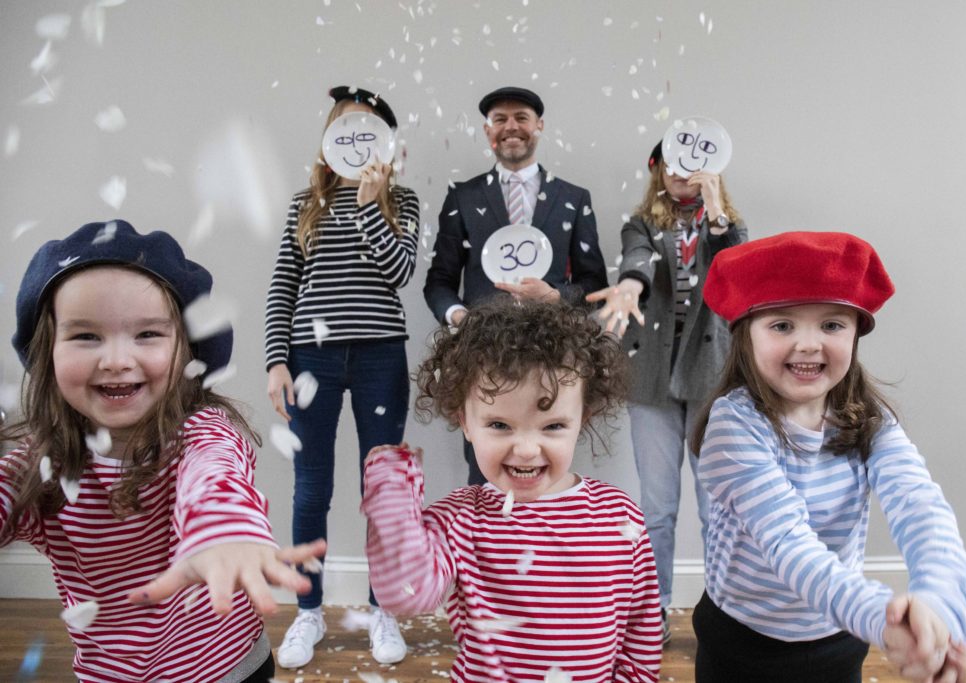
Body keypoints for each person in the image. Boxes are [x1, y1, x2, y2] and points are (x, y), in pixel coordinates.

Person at [0, 220, 325, 683]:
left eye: (147, 335)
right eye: (86, 336)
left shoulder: (204, 432)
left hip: (227, 669)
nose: (115, 359)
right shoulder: (40, 461)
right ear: (47, 350)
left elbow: (214, 479)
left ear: (187, 352)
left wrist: (221, 534)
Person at [690, 231, 966, 682]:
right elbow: (788, 543)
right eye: (782, 325)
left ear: (855, 334)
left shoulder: (870, 419)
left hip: (837, 638)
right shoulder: (734, 426)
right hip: (743, 644)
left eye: (832, 325)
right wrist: (884, 619)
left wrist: (938, 610)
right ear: (745, 336)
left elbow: (921, 506)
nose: (808, 344)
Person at [361, 299, 662, 682]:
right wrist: (392, 498)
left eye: (552, 426)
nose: (525, 449)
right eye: (500, 425)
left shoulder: (619, 514)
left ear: (581, 419)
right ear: (465, 423)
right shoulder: (459, 519)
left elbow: (641, 627)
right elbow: (404, 594)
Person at [264, 85, 419, 668]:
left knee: (381, 488)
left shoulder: (400, 203)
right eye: (346, 128)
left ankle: (384, 611)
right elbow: (284, 285)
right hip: (312, 358)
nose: (356, 139)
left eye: (368, 130)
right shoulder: (305, 204)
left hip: (381, 353)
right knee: (311, 489)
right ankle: (309, 613)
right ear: (330, 140)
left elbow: (399, 271)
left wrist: (368, 202)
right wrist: (276, 359)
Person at [586, 142, 747, 645]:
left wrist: (716, 213)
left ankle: (723, 607)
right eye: (672, 165)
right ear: (657, 171)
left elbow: (737, 270)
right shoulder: (640, 223)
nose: (683, 173)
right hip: (652, 376)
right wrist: (631, 285)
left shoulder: (729, 226)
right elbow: (637, 260)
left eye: (694, 165)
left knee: (716, 503)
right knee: (657, 507)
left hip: (709, 376)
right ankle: (652, 612)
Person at [423, 85, 608, 485]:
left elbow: (595, 282)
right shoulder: (462, 196)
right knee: (486, 469)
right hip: (485, 356)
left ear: (539, 126)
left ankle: (543, 547)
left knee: (545, 466)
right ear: (488, 130)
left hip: (555, 357)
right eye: (500, 119)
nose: (511, 127)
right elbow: (438, 281)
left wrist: (557, 297)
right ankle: (484, 547)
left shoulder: (574, 198)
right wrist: (460, 318)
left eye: (521, 118)